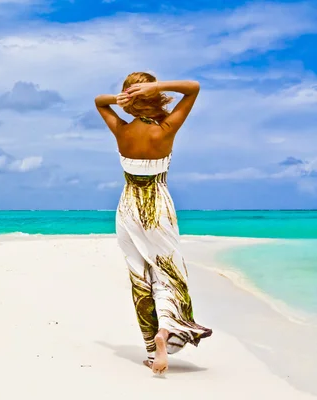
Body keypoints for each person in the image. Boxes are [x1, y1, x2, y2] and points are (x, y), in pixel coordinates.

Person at [94, 72, 212, 375]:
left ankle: (151, 347)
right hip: (157, 209)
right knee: (169, 274)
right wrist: (157, 86)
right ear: (153, 96)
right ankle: (166, 332)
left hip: (128, 209)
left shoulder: (121, 130)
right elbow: (193, 88)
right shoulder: (165, 129)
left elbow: (99, 102)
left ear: (129, 101)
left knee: (139, 277)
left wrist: (118, 100)